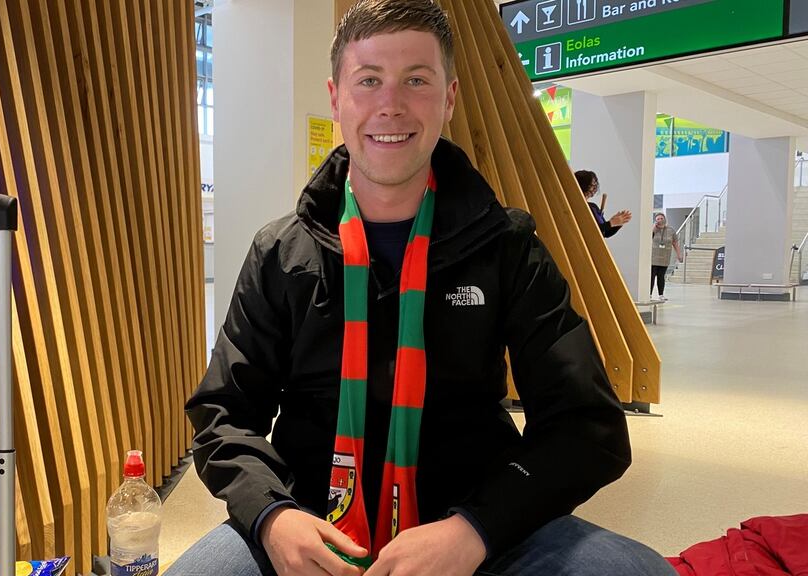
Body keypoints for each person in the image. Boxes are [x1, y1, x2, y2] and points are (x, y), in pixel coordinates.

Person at [168, 2, 675, 575]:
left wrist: (477, 529)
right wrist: (271, 516)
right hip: (308, 517)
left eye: (416, 80)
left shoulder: (505, 246)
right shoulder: (281, 253)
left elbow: (587, 425)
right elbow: (224, 413)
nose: (391, 104)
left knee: (638, 571)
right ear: (336, 98)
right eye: (369, 80)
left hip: (475, 519)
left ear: (448, 98)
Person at [575, 170, 631, 238]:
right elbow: (590, 230)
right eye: (591, 184)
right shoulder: (577, 206)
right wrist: (611, 223)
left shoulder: (593, 206)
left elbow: (605, 233)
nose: (594, 187)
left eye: (595, 184)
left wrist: (617, 223)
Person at [651, 212, 682, 300]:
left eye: (661, 218)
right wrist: (654, 227)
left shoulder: (671, 230)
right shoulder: (653, 229)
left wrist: (679, 254)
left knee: (661, 277)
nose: (660, 220)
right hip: (653, 257)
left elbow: (675, 243)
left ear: (665, 219)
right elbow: (648, 237)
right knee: (651, 277)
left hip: (665, 257)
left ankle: (661, 295)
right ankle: (649, 294)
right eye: (658, 219)